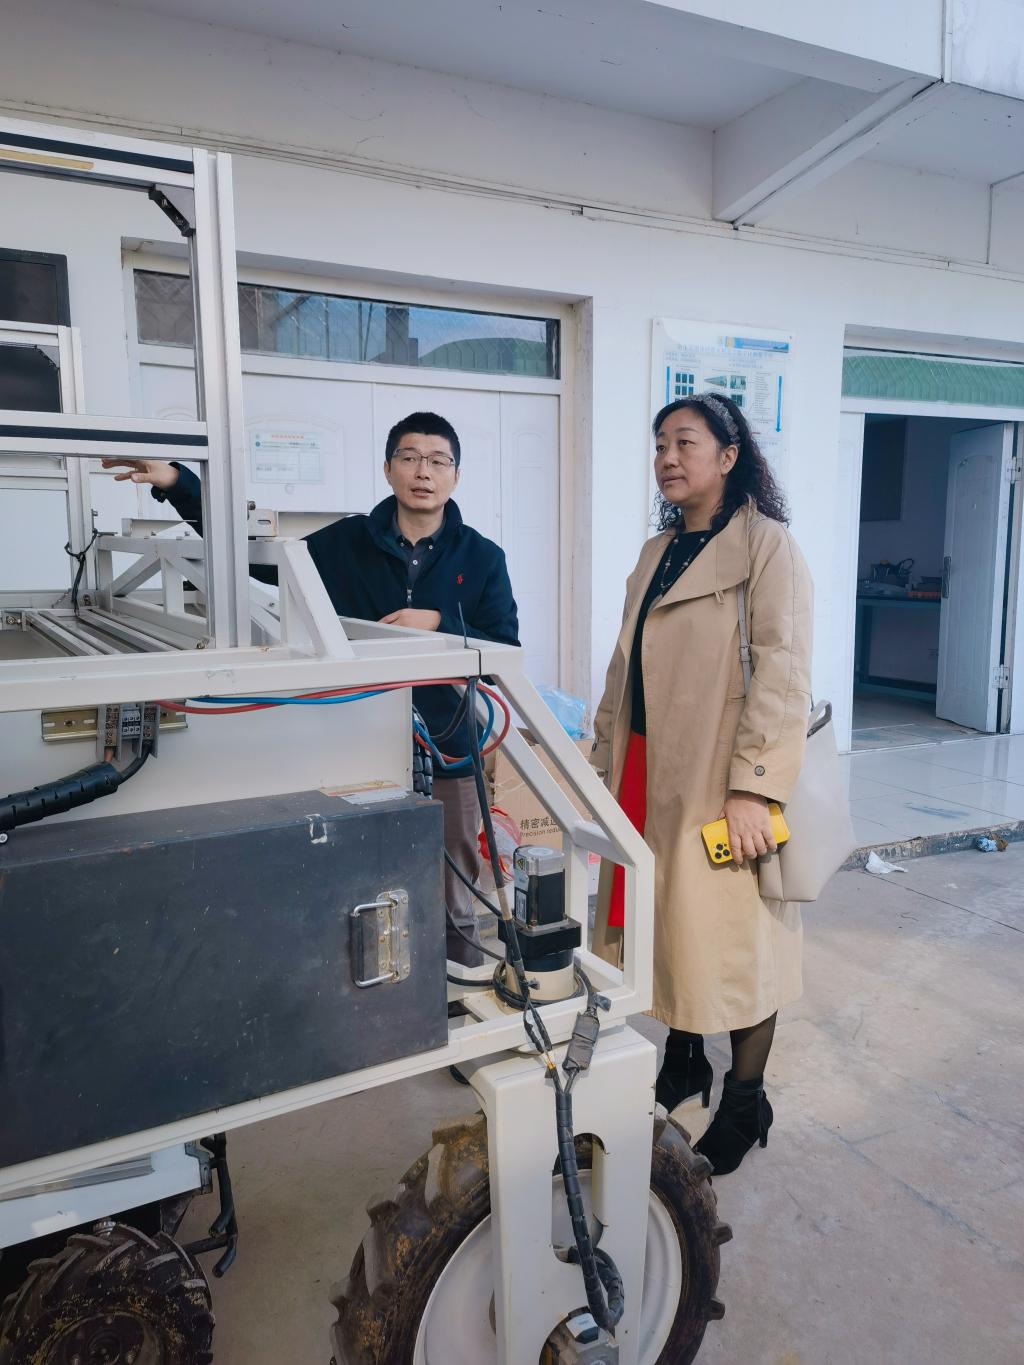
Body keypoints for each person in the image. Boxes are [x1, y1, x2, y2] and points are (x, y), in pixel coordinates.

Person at [102, 411, 518, 969]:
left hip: (448, 746)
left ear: (455, 476)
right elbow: (255, 557)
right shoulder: (346, 542)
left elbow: (503, 646)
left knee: (455, 883)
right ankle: (375, 992)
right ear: (388, 468)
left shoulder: (483, 558)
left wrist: (438, 623)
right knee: (361, 878)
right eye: (411, 457)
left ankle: (458, 989)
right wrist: (180, 483)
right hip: (354, 744)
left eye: (438, 461)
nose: (424, 471)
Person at [589, 393, 812, 1176]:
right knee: (665, 926)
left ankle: (746, 1100)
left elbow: (783, 672)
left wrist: (754, 786)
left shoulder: (766, 546)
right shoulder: (657, 551)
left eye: (685, 442)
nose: (668, 458)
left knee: (739, 943)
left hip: (722, 778)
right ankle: (684, 1064)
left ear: (729, 455)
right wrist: (600, 758)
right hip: (648, 766)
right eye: (660, 445)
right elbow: (623, 665)